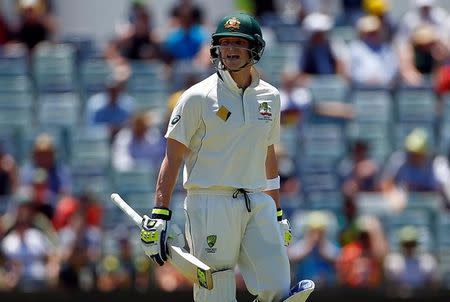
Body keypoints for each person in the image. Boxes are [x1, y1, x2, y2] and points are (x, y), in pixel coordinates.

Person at [137, 12, 314, 302]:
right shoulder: (197, 97)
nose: (230, 49)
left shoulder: (270, 97)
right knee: (216, 292)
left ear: (254, 49)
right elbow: (172, 157)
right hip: (210, 201)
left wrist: (278, 212)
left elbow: (268, 154)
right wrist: (160, 212)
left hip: (258, 200)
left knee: (279, 287)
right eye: (225, 43)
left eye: (238, 43)